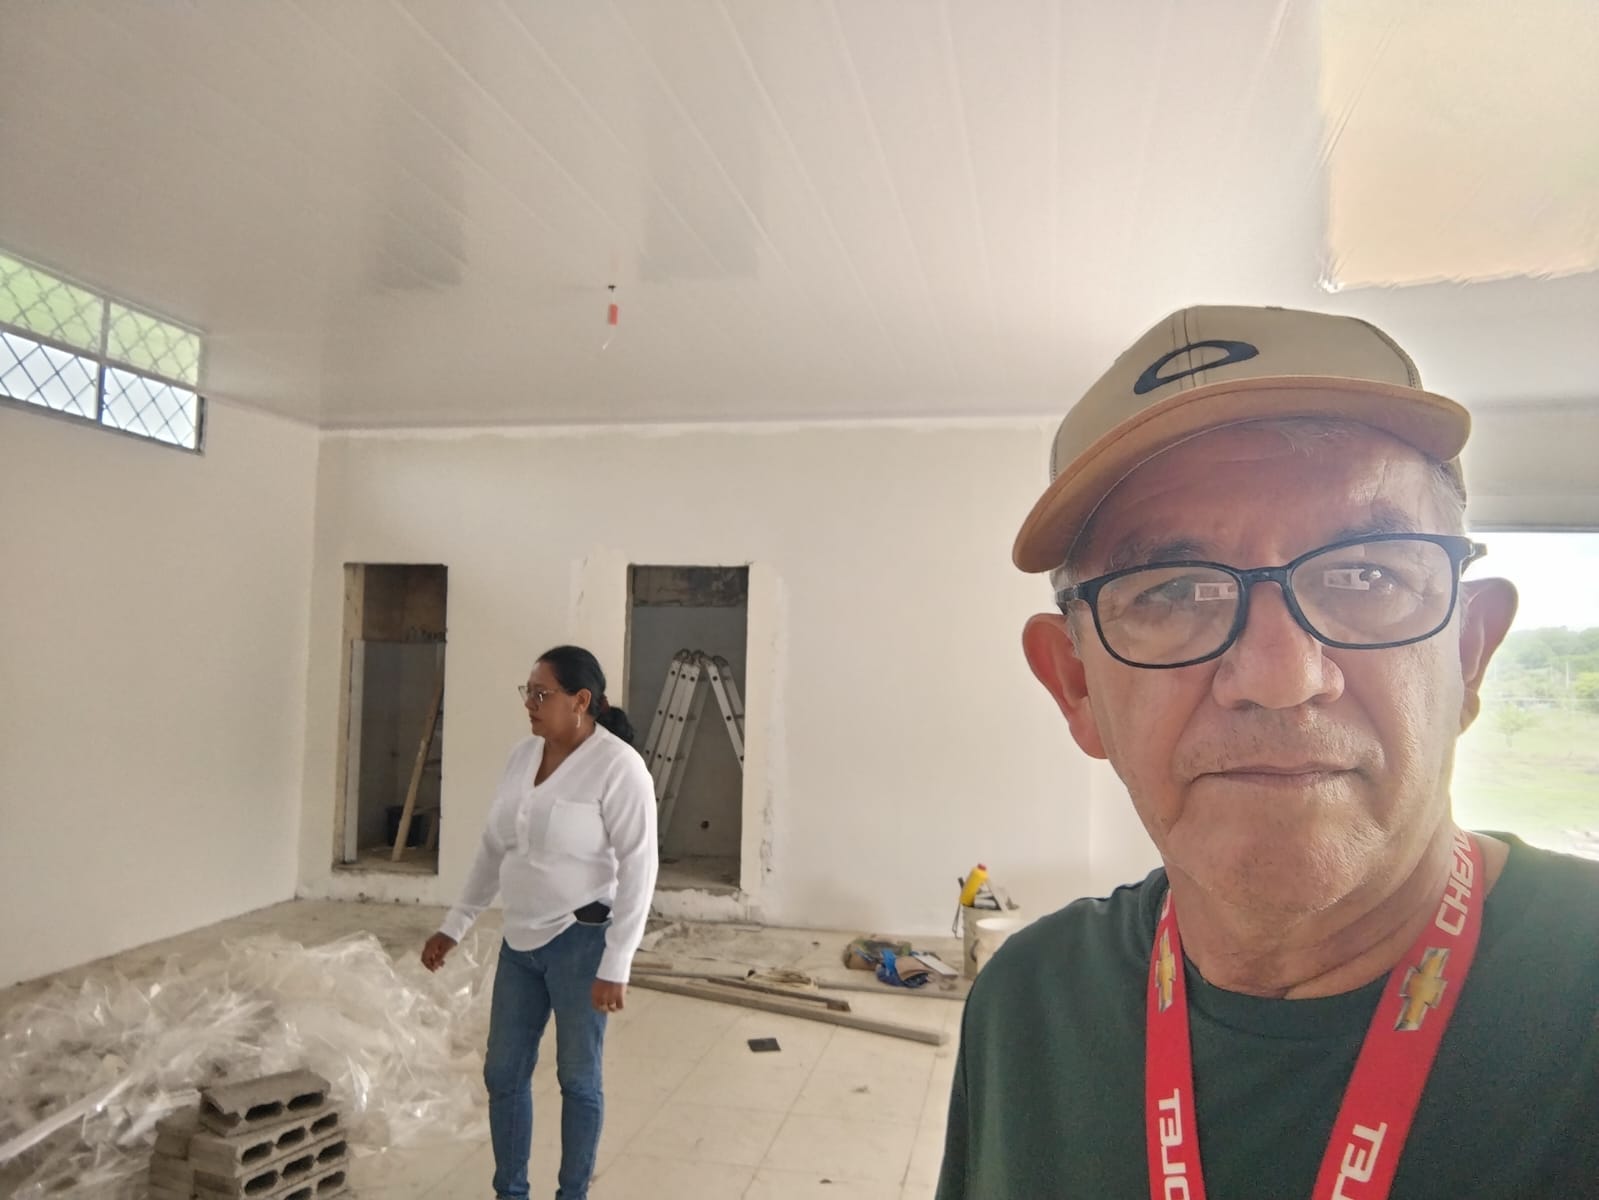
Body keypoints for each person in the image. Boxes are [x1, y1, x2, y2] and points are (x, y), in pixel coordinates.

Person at [937, 306, 1599, 1198]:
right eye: (1172, 591)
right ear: (1077, 687)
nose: (1280, 677)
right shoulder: (1027, 1006)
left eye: (1365, 574)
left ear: (1468, 654)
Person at [421, 645, 657, 1200]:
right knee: (503, 1074)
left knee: (577, 1079)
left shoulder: (618, 766)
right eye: (527, 692)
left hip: (581, 943)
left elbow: (640, 866)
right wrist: (456, 923)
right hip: (520, 943)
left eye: (541, 693)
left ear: (580, 701)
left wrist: (617, 962)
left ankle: (572, 1193)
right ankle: (511, 1191)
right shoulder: (521, 757)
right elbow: (493, 847)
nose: (529, 703)